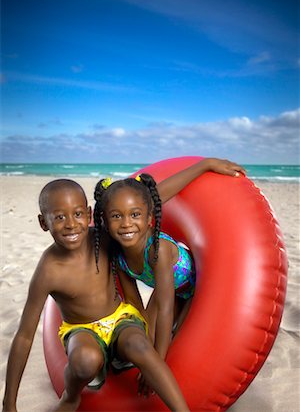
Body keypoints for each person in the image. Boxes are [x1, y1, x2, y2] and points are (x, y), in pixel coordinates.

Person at [2, 157, 244, 412]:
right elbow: (24, 336)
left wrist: (203, 166)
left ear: (88, 214)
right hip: (82, 329)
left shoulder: (103, 236)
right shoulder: (48, 270)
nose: (71, 224)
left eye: (77, 214)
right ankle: (72, 395)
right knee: (86, 360)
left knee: (140, 345)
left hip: (121, 319)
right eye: (59, 217)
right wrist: (9, 404)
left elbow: (151, 199)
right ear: (44, 223)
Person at [93, 158, 246, 393]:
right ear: (105, 218)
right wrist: (144, 345)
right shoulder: (118, 255)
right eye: (116, 216)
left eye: (134, 215)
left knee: (176, 341)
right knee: (146, 337)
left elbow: (164, 309)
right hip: (169, 290)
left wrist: (156, 365)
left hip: (196, 290)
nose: (126, 224)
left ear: (149, 218)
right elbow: (135, 305)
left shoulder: (158, 250)